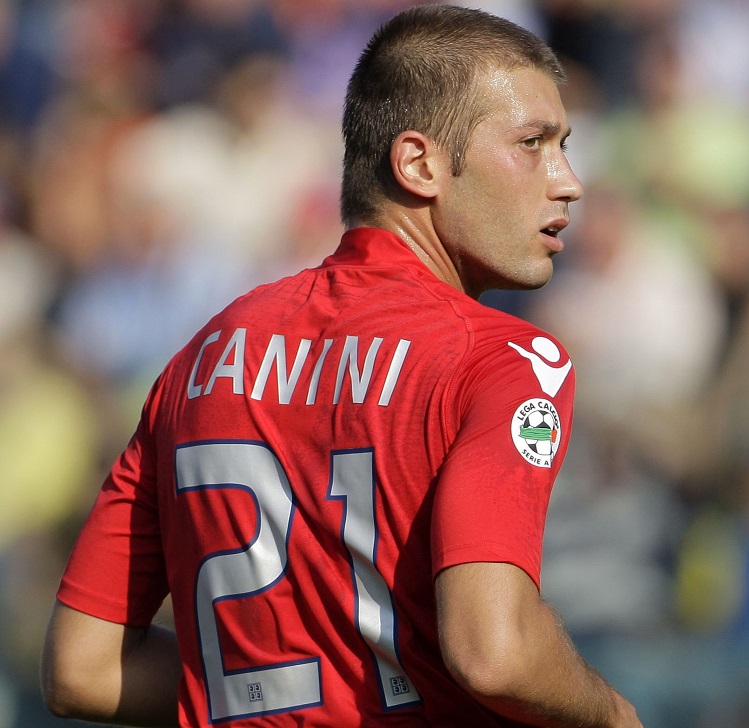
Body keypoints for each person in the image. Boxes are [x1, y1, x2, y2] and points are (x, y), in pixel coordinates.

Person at [39, 6, 642, 727]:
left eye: (564, 146)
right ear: (419, 164)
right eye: (532, 144)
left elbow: (82, 667)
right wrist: (612, 714)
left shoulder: (200, 355)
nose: (569, 181)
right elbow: (496, 653)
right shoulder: (503, 358)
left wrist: (268, 685)